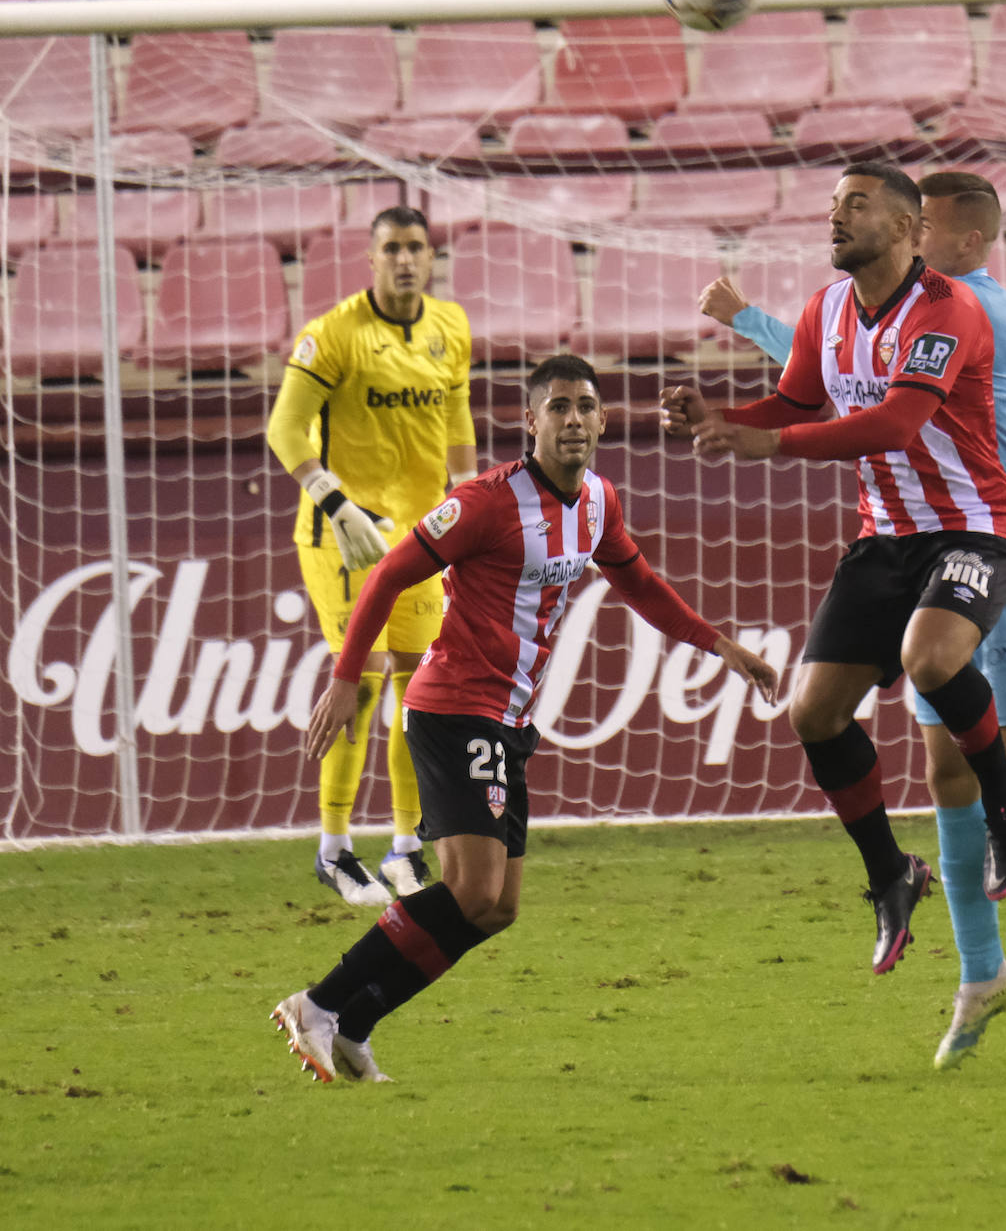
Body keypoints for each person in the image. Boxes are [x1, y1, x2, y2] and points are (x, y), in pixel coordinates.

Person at [698, 170, 1006, 1070]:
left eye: (929, 229)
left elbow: (888, 409)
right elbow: (830, 374)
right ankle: (979, 970)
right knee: (940, 769)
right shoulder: (852, 303)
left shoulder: (976, 308)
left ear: (933, 234)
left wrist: (758, 357)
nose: (841, 220)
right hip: (906, 542)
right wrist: (730, 400)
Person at [271, 354, 779, 1082]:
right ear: (530, 421)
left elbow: (641, 583)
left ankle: (355, 1025)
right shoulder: (485, 501)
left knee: (498, 906)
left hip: (509, 721)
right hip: (452, 708)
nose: (573, 419)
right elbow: (388, 573)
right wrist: (349, 677)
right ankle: (319, 1003)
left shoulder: (599, 501)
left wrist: (724, 646)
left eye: (585, 406)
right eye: (558, 406)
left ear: (603, 420)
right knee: (472, 889)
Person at [662, 163, 1006, 986]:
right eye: (833, 205)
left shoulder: (948, 309)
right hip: (885, 539)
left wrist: (771, 445)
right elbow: (796, 403)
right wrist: (723, 417)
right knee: (814, 712)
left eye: (856, 205)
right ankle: (889, 876)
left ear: (906, 229)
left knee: (931, 658)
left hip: (974, 524)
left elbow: (899, 422)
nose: (836, 217)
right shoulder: (825, 310)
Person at [267, 205, 477, 907]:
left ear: (431, 255)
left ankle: (405, 846)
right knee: (363, 680)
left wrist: (468, 506)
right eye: (392, 248)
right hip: (342, 535)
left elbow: (457, 425)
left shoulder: (451, 327)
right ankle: (333, 848)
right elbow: (285, 427)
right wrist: (332, 499)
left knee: (419, 690)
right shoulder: (332, 335)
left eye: (417, 246)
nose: (406, 259)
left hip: (420, 536)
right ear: (371, 257)